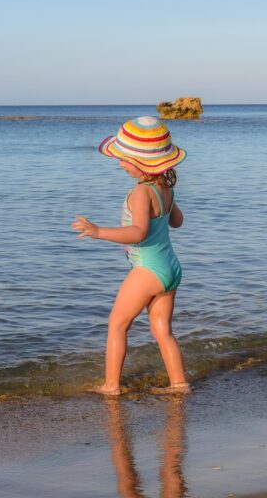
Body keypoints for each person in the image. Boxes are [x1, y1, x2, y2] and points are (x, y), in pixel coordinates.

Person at [72, 116, 190, 396]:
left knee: (117, 324)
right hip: (170, 267)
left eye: (124, 159)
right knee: (163, 330)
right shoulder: (165, 188)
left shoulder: (140, 192)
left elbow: (137, 233)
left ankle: (111, 386)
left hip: (148, 269)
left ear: (143, 162)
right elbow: (177, 222)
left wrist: (98, 231)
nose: (120, 164)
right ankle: (179, 384)